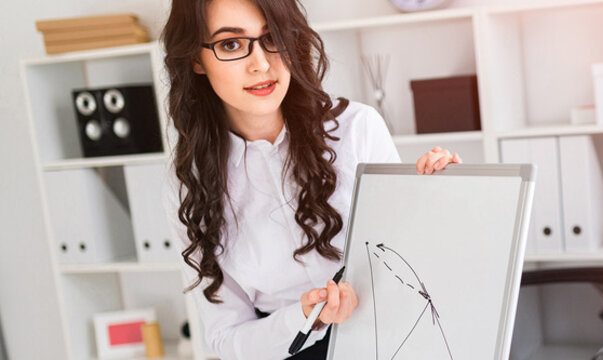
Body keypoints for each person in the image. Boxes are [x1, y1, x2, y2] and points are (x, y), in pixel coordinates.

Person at [160, 0, 461, 358]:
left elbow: (413, 259)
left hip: (395, 340)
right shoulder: (188, 184)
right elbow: (227, 338)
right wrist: (306, 317)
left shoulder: (357, 130)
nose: (261, 64)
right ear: (195, 58)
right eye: (231, 44)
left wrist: (435, 197)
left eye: (272, 37)